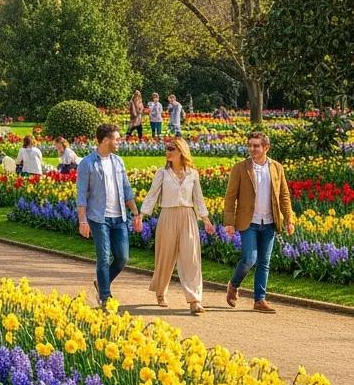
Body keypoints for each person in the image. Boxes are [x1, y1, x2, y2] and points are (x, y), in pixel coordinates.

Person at [138, 137, 214, 315]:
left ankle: (195, 300)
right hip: (167, 215)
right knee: (165, 257)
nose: (168, 152)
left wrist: (206, 219)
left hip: (188, 216)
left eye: (172, 148)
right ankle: (160, 291)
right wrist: (141, 215)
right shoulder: (162, 174)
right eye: (167, 148)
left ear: (181, 151)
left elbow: (198, 199)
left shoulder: (192, 174)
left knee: (191, 259)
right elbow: (152, 195)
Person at [223, 131, 295, 314]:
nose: (252, 149)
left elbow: (284, 195)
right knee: (249, 258)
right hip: (249, 222)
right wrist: (229, 222)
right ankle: (233, 284)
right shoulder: (240, 168)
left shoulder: (277, 168)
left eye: (256, 146)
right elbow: (230, 197)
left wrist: (289, 219)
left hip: (269, 222)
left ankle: (259, 300)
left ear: (266, 147)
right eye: (250, 145)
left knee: (264, 262)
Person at [76, 124, 142, 307]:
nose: (119, 142)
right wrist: (82, 220)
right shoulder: (87, 163)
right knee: (104, 257)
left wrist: (136, 213)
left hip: (119, 217)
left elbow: (126, 189)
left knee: (122, 258)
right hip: (99, 218)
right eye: (116, 139)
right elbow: (81, 195)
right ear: (106, 140)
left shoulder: (118, 161)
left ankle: (101, 282)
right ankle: (105, 296)